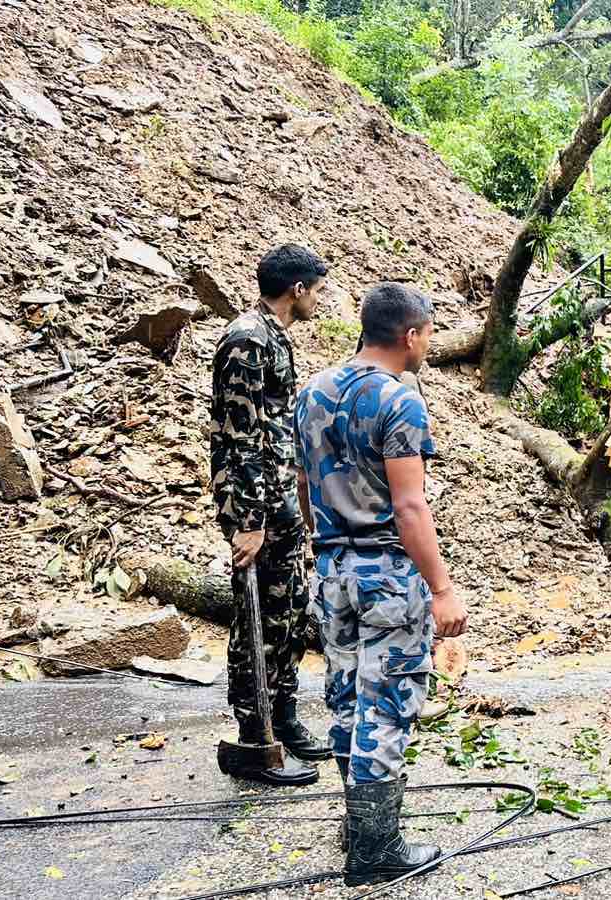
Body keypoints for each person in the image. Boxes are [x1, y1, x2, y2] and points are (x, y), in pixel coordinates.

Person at [294, 283, 469, 885]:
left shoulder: (311, 393)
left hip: (332, 569)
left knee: (345, 695)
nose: (428, 343)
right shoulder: (399, 402)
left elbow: (305, 489)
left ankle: (358, 824)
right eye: (428, 333)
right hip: (387, 575)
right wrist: (442, 589)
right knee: (386, 704)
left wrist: (327, 543)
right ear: (410, 335)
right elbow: (410, 507)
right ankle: (374, 850)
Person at [210, 243, 332, 785]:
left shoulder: (273, 338)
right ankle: (253, 737)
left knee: (287, 612)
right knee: (256, 620)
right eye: (317, 290)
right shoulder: (246, 341)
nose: (320, 301)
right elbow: (240, 438)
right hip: (255, 506)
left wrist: (296, 507)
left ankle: (283, 717)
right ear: (296, 290)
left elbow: (277, 433)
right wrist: (251, 521)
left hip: (279, 500)